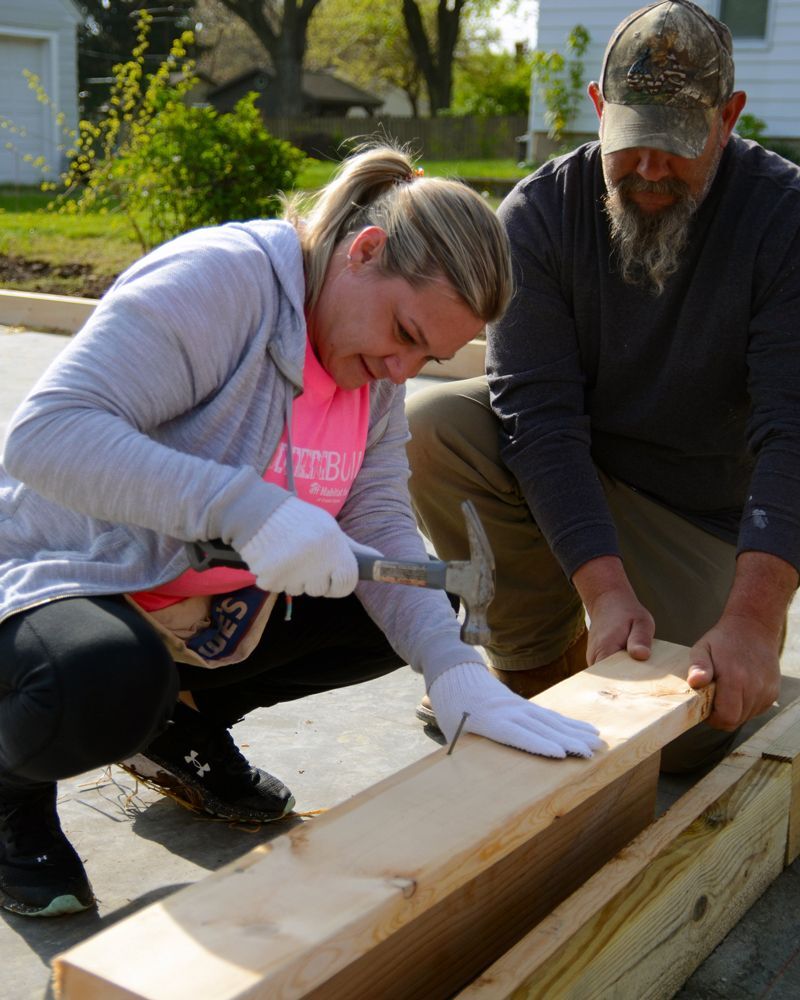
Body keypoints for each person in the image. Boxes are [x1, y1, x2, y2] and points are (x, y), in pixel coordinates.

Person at [0, 145, 601, 919]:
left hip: (196, 598)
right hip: (68, 571)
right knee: (103, 679)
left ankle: (177, 728)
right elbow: (46, 437)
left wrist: (453, 671)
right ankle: (11, 793)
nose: (401, 370)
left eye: (430, 357)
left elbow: (380, 519)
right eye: (405, 332)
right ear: (366, 251)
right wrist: (243, 508)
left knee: (398, 605)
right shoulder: (227, 282)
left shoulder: (371, 362)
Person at [407, 0, 800, 773]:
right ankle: (527, 659)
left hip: (702, 511)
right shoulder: (539, 216)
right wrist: (606, 593)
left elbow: (794, 427)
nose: (651, 169)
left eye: (678, 145)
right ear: (597, 108)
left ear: (729, 118)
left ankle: (587, 659)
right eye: (632, 142)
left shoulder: (784, 221)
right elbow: (539, 420)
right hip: (574, 469)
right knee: (431, 429)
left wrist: (757, 621)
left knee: (692, 733)